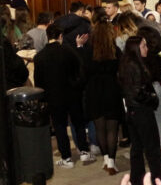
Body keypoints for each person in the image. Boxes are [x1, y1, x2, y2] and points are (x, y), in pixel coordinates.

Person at [34, 24, 96, 168]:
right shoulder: (69, 51)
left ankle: (67, 158)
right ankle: (84, 151)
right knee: (78, 122)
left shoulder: (40, 57)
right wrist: (78, 86)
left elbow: (39, 81)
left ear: (47, 36)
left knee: (59, 126)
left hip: (53, 97)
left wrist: (43, 99)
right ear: (60, 36)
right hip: (72, 93)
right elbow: (80, 71)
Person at [118, 36, 161, 185]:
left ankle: (137, 181)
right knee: (152, 150)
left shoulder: (127, 64)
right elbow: (137, 92)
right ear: (136, 48)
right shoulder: (135, 66)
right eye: (144, 46)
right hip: (142, 111)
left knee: (137, 148)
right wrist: (153, 98)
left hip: (133, 111)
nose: (147, 48)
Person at [81, 20, 123, 175]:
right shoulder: (115, 50)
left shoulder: (89, 51)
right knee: (112, 127)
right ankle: (112, 161)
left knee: (99, 127)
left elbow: (84, 73)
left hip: (94, 90)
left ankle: (105, 158)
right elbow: (121, 70)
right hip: (112, 89)